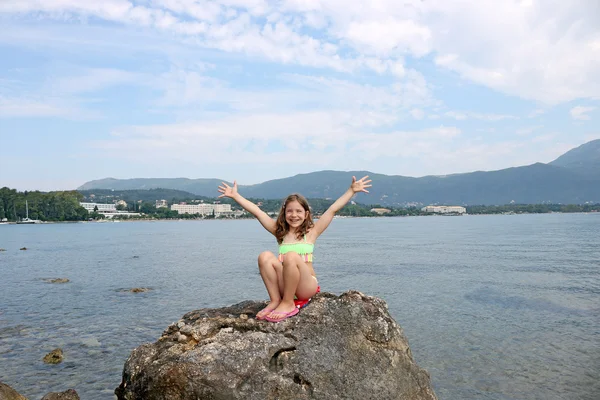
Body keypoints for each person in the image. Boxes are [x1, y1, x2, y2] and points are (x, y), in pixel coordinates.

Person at [218, 175, 372, 322]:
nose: (294, 215)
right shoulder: (280, 233)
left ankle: (288, 303)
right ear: (284, 214)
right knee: (264, 256)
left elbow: (332, 210)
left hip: (306, 286)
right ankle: (275, 300)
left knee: (291, 256)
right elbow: (258, 212)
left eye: (299, 211)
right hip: (286, 284)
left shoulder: (311, 233)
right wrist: (236, 196)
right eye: (290, 211)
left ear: (306, 214)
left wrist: (351, 191)